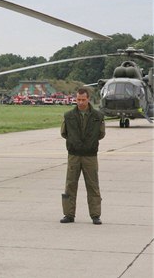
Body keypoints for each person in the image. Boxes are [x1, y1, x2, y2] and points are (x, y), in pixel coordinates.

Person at [60, 87, 105, 225]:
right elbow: (64, 133)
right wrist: (75, 142)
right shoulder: (68, 116)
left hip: (90, 156)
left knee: (93, 185)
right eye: (78, 100)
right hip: (74, 155)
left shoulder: (98, 116)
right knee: (70, 185)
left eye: (83, 100)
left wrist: (89, 143)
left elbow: (101, 134)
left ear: (88, 99)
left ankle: (95, 215)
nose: (80, 102)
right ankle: (69, 214)